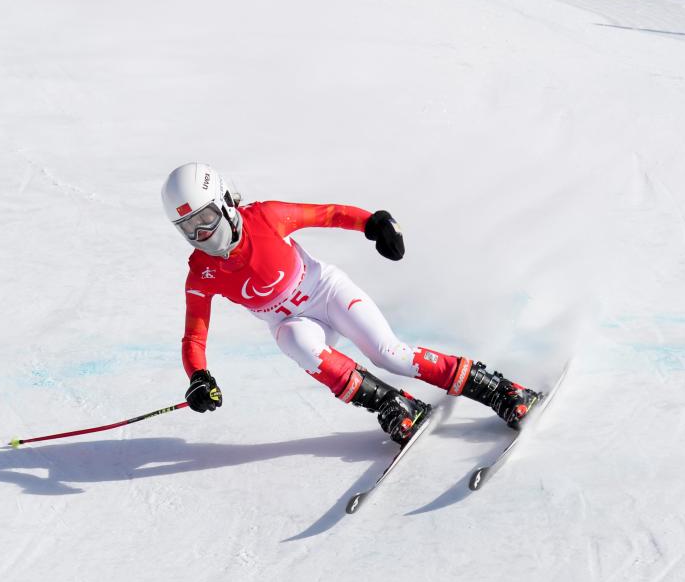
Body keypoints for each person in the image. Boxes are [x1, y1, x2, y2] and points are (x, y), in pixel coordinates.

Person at [162, 161, 540, 444]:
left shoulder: (265, 217)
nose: (201, 234)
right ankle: (395, 404)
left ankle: (502, 390)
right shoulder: (201, 272)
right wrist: (198, 376)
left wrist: (373, 224)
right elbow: (194, 337)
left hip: (326, 292)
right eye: (188, 228)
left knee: (390, 355)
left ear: (226, 202)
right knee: (294, 342)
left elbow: (326, 214)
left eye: (206, 218)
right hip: (292, 321)